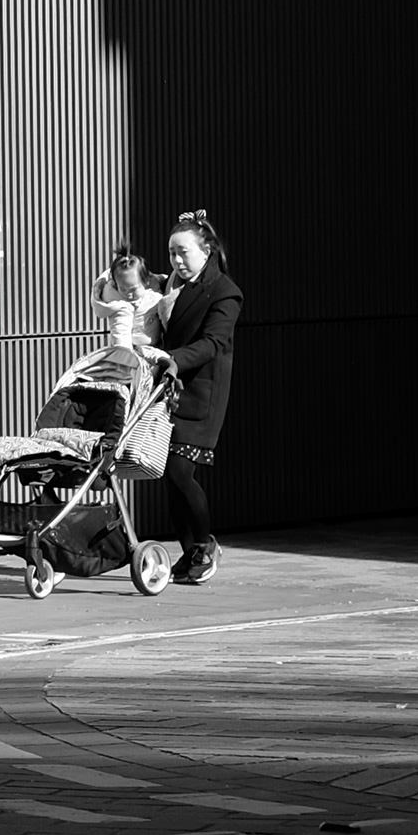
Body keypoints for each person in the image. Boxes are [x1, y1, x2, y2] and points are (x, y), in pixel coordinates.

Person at [134, 210, 239, 584]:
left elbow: (212, 344)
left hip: (201, 393)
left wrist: (172, 358)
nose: (177, 260)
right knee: (168, 474)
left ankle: (205, 545)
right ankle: (189, 548)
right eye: (171, 253)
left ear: (206, 250)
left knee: (180, 471)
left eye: (184, 252)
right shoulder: (167, 285)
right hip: (167, 388)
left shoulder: (224, 291)